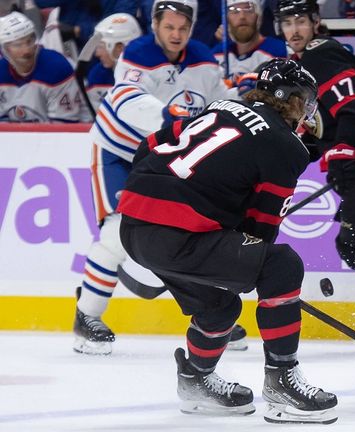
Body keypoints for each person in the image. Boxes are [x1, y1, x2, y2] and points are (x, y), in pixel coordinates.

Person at [118, 58, 338, 424]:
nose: (308, 112)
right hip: (179, 235)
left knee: (220, 308)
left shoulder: (223, 107)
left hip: (133, 226)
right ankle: (282, 381)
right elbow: (261, 232)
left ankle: (195, 380)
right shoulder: (286, 146)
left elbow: (151, 144)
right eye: (306, 101)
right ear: (294, 100)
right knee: (282, 265)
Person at [73, 0, 237, 355]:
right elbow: (126, 97)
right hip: (119, 152)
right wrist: (167, 115)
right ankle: (87, 316)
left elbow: (222, 99)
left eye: (183, 28)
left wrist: (246, 102)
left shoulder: (204, 57)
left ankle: (214, 314)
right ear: (155, 25)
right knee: (116, 232)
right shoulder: (138, 52)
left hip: (167, 158)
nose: (176, 35)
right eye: (169, 27)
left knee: (196, 231)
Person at [275, 0, 355, 340]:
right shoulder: (300, 64)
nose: (294, 30)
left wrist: (342, 154)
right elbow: (321, 128)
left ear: (315, 22)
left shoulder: (320, 54)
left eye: (300, 21)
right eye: (287, 23)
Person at [0, 11, 87, 122]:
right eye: (18, 45)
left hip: (72, 135)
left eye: (29, 41)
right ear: (4, 49)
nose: (26, 50)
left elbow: (63, 127)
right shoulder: (1, 72)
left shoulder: (56, 67)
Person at [212, 0, 288, 82]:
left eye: (248, 9)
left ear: (259, 17)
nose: (242, 16)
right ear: (226, 19)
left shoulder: (277, 52)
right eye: (234, 11)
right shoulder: (217, 55)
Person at [85, 13, 143, 111]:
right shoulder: (97, 75)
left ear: (120, 48)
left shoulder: (151, 74)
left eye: (101, 47)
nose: (97, 54)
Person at [34, 0, 139, 50]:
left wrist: (77, 30)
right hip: (72, 49)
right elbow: (41, 2)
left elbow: (119, 25)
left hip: (106, 50)